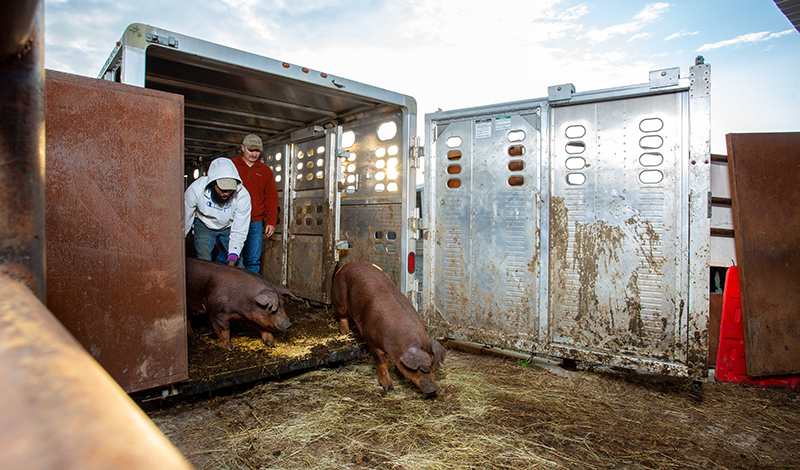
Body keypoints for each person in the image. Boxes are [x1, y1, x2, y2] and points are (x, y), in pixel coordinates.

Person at [221, 134, 279, 274]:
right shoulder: (231, 165)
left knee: (253, 259)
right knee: (229, 258)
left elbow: (271, 197)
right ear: (242, 148)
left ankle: (252, 292)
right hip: (231, 220)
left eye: (257, 151)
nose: (254, 154)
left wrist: (271, 221)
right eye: (251, 150)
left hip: (254, 221)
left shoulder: (265, 171)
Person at [185, 157, 251, 266]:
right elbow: (185, 219)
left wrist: (232, 262)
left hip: (228, 226)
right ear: (212, 183)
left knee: (238, 264)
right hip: (204, 223)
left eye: (230, 189)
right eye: (222, 189)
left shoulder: (242, 196)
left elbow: (240, 230)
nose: (226, 193)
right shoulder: (196, 189)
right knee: (204, 262)